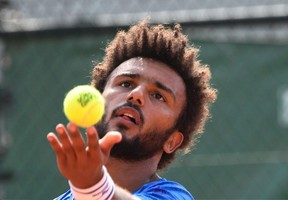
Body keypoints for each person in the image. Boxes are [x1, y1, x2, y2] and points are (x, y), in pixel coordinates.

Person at [47, 20, 217, 200]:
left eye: (158, 96)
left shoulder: (173, 196)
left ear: (172, 141)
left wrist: (92, 186)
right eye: (126, 83)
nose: (136, 95)